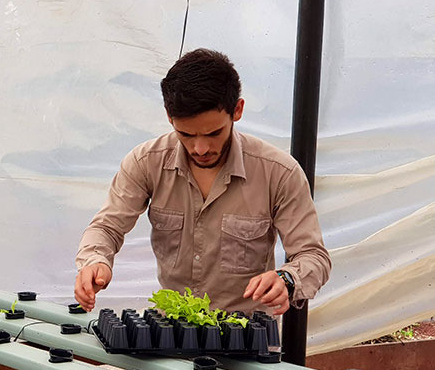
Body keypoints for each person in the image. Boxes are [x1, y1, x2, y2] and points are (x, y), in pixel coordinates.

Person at [74, 49, 331, 316]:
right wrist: (95, 261)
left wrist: (287, 280)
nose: (200, 148)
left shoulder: (279, 172)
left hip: (246, 340)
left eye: (213, 133)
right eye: (185, 134)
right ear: (168, 116)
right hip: (169, 333)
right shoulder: (146, 163)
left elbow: (313, 256)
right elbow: (106, 227)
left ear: (237, 111)